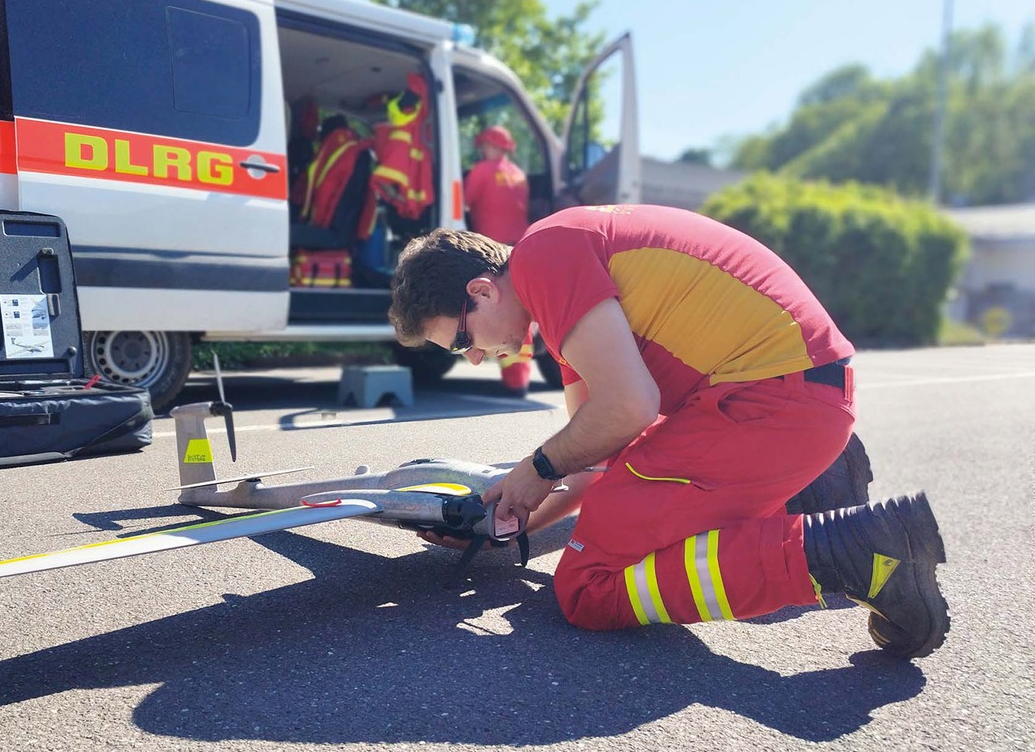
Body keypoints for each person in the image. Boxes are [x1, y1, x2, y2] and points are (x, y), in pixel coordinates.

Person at [388, 204, 950, 659]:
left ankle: (860, 554)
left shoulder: (543, 257)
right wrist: (510, 521)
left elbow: (629, 407)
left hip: (774, 402)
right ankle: (813, 490)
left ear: (482, 291)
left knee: (586, 586)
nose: (479, 358)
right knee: (626, 522)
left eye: (463, 342)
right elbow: (601, 456)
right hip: (797, 397)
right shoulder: (567, 292)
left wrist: (535, 470)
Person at [463, 125, 533, 395]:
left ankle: (512, 378)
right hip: (519, 248)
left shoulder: (482, 171)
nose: (481, 149)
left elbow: (463, 202)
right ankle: (518, 379)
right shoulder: (518, 175)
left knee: (498, 310)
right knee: (520, 310)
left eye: (483, 145)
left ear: (490, 145)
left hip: (491, 251)